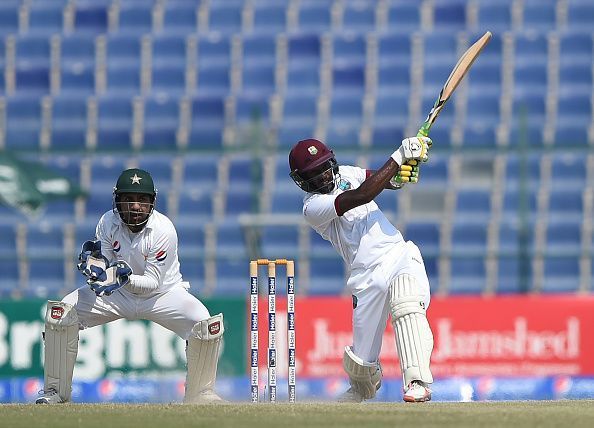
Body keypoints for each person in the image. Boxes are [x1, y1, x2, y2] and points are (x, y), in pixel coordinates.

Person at [35, 168, 224, 404]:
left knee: (204, 323)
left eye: (142, 200)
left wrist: (121, 277)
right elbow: (103, 265)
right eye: (128, 200)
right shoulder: (107, 222)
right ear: (117, 201)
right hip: (117, 295)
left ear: (152, 202)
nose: (135, 206)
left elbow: (152, 282)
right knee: (60, 313)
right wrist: (95, 269)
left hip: (162, 295)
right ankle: (55, 392)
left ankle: (201, 394)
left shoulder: (164, 230)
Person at [288, 136, 434, 403]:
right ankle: (361, 387)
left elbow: (382, 180)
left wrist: (402, 173)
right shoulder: (312, 208)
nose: (322, 177)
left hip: (398, 254)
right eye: (314, 174)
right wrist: (400, 154)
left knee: (407, 304)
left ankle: (417, 381)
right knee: (361, 367)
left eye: (324, 168)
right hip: (365, 277)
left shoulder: (347, 172)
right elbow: (362, 195)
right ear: (302, 180)